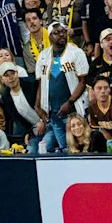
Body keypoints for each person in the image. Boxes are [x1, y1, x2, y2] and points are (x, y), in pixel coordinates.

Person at [35, 20, 88, 152]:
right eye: (56, 33)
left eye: (63, 32)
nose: (61, 35)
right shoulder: (43, 56)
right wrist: (38, 106)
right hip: (54, 113)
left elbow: (83, 81)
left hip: (73, 111)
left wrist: (69, 102)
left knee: (80, 147)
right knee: (65, 149)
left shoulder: (76, 52)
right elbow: (41, 83)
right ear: (50, 36)